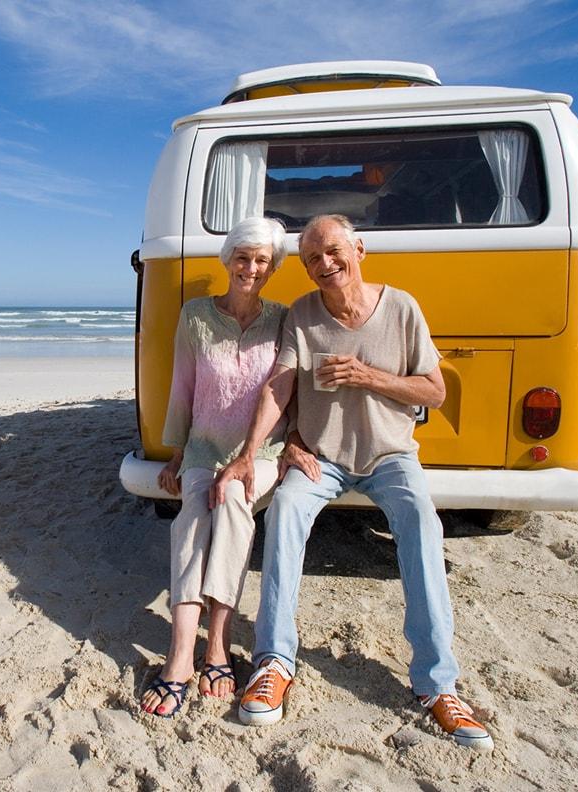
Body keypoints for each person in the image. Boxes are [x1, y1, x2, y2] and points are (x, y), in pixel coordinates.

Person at [212, 214, 493, 750]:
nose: (325, 264)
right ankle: (274, 659)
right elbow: (280, 386)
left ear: (359, 249)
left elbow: (434, 392)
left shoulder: (402, 308)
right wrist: (264, 448)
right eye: (313, 257)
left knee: (421, 525)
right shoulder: (302, 315)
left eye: (334, 251)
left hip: (391, 457)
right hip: (322, 459)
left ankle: (437, 685)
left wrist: (370, 377)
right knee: (286, 515)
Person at [139, 216, 289, 718]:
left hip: (261, 453)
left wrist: (295, 445)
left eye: (261, 261)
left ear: (272, 268)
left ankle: (218, 645)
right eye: (243, 258)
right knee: (193, 517)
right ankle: (182, 653)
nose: (250, 268)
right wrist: (177, 453)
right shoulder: (196, 315)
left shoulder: (284, 319)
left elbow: (292, 389)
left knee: (231, 506)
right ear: (228, 260)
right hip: (204, 447)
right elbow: (182, 388)